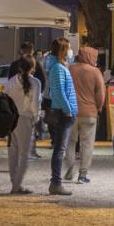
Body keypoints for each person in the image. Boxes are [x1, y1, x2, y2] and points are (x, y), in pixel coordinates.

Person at [38, 39, 78, 197]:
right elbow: (59, 91)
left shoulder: (58, 67)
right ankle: (56, 182)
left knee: (60, 148)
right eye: (68, 49)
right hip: (63, 112)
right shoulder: (57, 68)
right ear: (62, 50)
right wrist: (68, 109)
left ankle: (56, 182)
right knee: (60, 149)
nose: (70, 52)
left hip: (65, 111)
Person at [65, 45, 109, 184]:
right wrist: (98, 107)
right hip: (89, 113)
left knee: (70, 142)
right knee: (87, 144)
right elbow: (101, 94)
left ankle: (70, 170)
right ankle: (82, 175)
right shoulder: (95, 72)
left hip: (70, 112)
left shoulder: (70, 69)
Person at [0, 57, 42, 195]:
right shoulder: (35, 82)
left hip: (12, 119)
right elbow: (35, 104)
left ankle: (15, 183)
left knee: (13, 153)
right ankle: (17, 185)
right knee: (24, 154)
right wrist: (36, 117)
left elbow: (4, 100)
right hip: (25, 118)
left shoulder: (11, 81)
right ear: (33, 67)